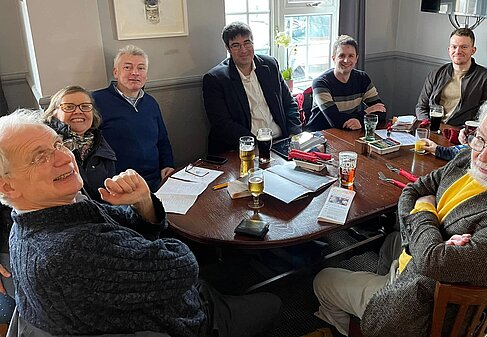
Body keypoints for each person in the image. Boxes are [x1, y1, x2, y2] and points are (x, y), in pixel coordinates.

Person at [0, 110, 281, 336]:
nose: (65, 157)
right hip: (186, 319)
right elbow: (183, 267)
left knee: (236, 269)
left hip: (156, 290)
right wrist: (159, 243)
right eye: (40, 157)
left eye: (58, 144)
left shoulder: (47, 214)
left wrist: (145, 201)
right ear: (7, 186)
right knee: (275, 301)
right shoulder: (72, 250)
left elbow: (127, 223)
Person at [313, 93, 487, 337]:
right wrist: (430, 240)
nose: (483, 156)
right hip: (414, 267)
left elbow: (433, 262)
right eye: (481, 139)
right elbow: (413, 189)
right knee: (390, 242)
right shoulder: (468, 158)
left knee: (322, 279)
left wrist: (424, 211)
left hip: (421, 309)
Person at [203, 22, 302, 154]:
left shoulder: (270, 65)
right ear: (228, 48)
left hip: (281, 142)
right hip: (244, 148)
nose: (243, 50)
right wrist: (254, 144)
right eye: (236, 45)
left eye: (247, 43)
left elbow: (289, 104)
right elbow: (223, 124)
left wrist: (294, 135)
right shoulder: (216, 79)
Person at [92, 45, 174, 192]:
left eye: (141, 68)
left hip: (155, 180)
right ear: (116, 72)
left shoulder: (151, 103)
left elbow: (162, 140)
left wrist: (167, 165)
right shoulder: (96, 101)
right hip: (119, 184)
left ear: (146, 75)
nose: (135, 73)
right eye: (128, 67)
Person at [43, 85, 116, 202]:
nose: (78, 111)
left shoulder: (100, 142)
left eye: (85, 106)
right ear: (54, 113)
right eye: (69, 107)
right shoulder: (46, 145)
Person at [415, 28, 487, 126]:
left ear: (473, 50)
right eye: (454, 47)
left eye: (464, 47)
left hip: (461, 134)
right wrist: (427, 124)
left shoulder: (486, 79)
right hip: (432, 127)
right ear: (449, 50)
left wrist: (465, 132)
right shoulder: (436, 74)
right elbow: (421, 107)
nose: (458, 51)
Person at [306, 35, 386, 132]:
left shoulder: (362, 78)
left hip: (349, 132)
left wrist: (359, 120)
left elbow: (382, 112)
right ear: (334, 58)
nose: (346, 60)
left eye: (351, 56)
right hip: (320, 136)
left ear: (356, 59)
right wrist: (367, 112)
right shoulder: (320, 84)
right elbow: (335, 121)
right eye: (341, 56)